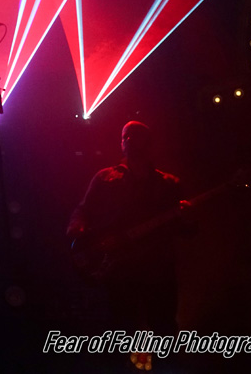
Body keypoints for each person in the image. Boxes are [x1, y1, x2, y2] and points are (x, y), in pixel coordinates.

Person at [67, 121, 187, 338]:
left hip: (158, 269)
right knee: (122, 328)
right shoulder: (105, 177)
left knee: (163, 327)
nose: (128, 140)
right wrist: (77, 228)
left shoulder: (168, 183)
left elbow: (185, 230)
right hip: (120, 269)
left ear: (148, 143)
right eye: (125, 137)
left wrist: (187, 218)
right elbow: (83, 210)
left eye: (135, 135)